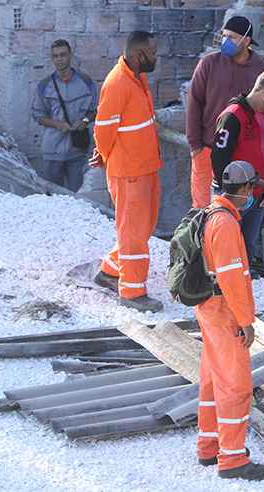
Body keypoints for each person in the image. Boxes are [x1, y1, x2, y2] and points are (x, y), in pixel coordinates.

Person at [195, 160, 264, 482]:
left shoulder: (210, 213)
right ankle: (232, 459)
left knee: (213, 380)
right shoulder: (225, 225)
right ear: (242, 190)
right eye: (251, 189)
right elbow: (232, 280)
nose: (252, 195)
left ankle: (209, 446)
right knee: (235, 386)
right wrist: (246, 321)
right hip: (224, 310)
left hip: (208, 307)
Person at [89, 31, 163, 313]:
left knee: (142, 227)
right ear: (138, 55)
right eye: (153, 53)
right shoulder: (117, 83)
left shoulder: (138, 79)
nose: (156, 58)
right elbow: (103, 129)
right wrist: (106, 157)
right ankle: (132, 292)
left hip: (145, 167)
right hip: (129, 171)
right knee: (133, 232)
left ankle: (110, 270)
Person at [187, 16, 264, 209]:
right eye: (224, 36)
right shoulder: (209, 64)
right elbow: (194, 102)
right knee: (202, 209)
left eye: (231, 37)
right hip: (207, 149)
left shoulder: (261, 71)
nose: (225, 41)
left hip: (242, 154)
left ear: (246, 40)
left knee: (236, 210)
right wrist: (195, 146)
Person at [211, 69, 264, 261]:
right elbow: (218, 159)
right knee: (226, 250)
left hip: (257, 194)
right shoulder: (232, 117)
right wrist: (233, 193)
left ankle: (246, 283)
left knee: (247, 249)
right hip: (233, 195)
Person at [32, 39, 97, 192]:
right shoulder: (44, 85)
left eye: (63, 55)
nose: (59, 59)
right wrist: (57, 124)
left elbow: (95, 110)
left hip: (78, 150)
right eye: (55, 56)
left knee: (77, 196)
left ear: (70, 56)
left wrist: (85, 120)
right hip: (53, 150)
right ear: (52, 59)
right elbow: (37, 115)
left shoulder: (85, 82)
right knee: (52, 197)